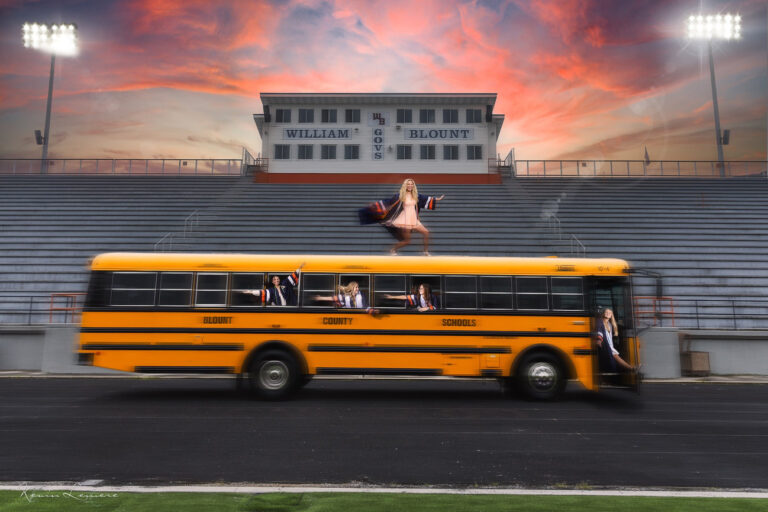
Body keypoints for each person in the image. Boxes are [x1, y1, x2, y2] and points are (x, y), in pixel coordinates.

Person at [358, 178, 444, 256]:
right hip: (404, 220)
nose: (410, 185)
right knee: (407, 241)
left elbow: (425, 199)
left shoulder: (416, 195)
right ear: (405, 185)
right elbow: (388, 202)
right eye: (408, 184)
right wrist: (375, 206)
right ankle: (392, 249)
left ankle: (425, 252)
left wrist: (437, 199)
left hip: (414, 219)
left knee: (426, 232)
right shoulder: (399, 196)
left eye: (411, 184)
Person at [595, 308, 635, 373]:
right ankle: (631, 368)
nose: (608, 314)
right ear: (603, 313)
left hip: (609, 345)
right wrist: (599, 339)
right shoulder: (600, 321)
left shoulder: (610, 324)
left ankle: (628, 369)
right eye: (606, 312)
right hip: (604, 344)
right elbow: (599, 331)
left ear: (611, 315)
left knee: (615, 357)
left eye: (610, 313)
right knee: (615, 356)